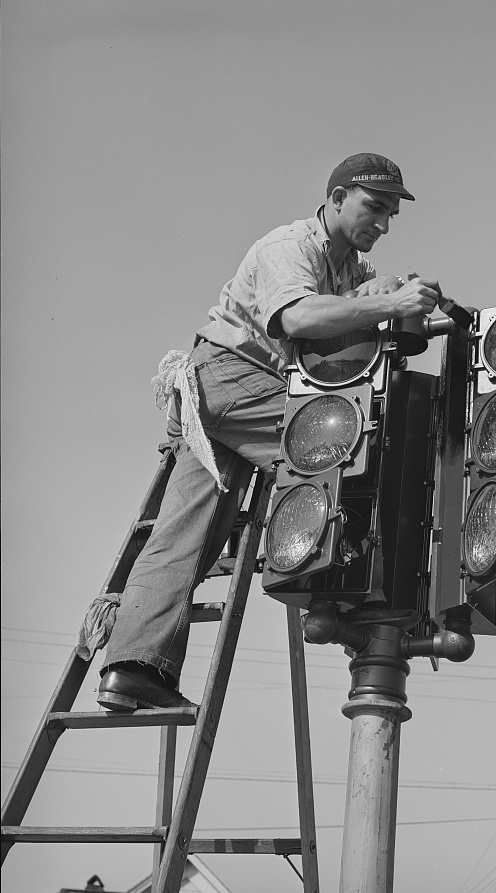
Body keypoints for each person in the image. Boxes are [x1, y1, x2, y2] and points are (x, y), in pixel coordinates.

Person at [97, 152, 442, 711]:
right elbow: (298, 320)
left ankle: (131, 668)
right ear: (336, 198)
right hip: (231, 379)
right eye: (373, 209)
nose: (381, 224)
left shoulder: (349, 269)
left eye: (389, 217)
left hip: (224, 406)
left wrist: (392, 303)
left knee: (185, 536)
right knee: (343, 447)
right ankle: (339, 594)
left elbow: (343, 331)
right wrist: (388, 303)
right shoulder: (290, 246)